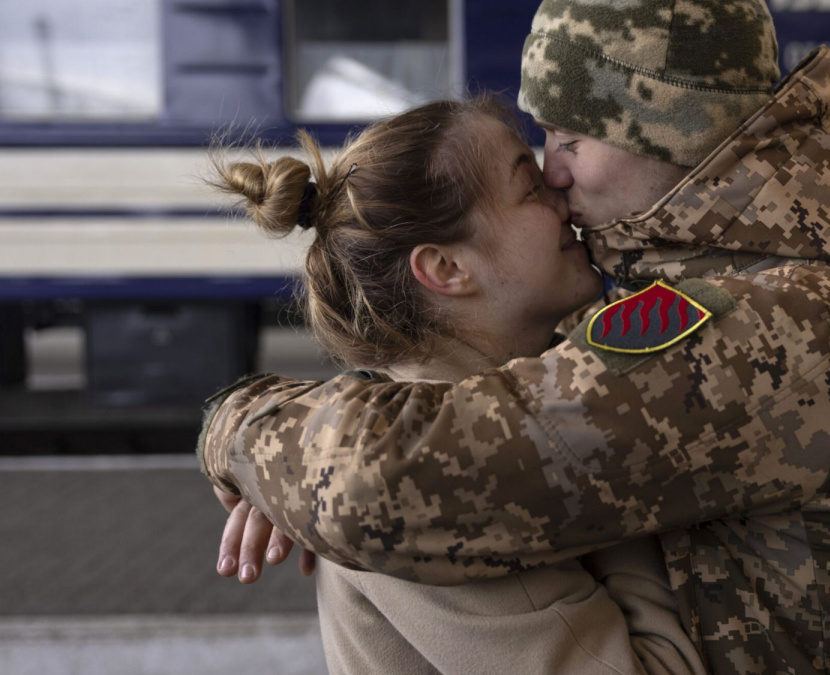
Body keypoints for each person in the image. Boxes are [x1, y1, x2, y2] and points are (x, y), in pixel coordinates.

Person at [200, 0, 830, 672]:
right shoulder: (769, 276)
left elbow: (378, 482)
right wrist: (303, 467)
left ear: (664, 129)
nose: (555, 173)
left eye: (568, 137)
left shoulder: (765, 322)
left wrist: (241, 427)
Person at [206, 97, 706, 675]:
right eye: (529, 188)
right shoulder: (419, 496)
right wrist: (625, 489)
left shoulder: (432, 419)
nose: (562, 197)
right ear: (447, 268)